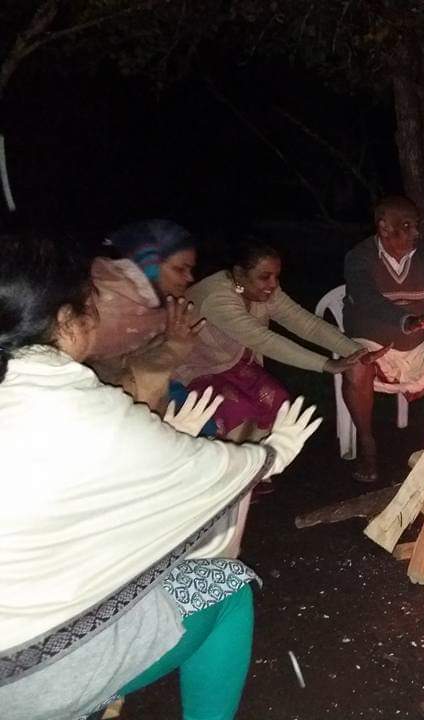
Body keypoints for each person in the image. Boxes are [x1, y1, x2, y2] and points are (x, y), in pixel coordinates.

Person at [0, 234, 322, 720]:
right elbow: (208, 475)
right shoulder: (79, 404)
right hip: (28, 679)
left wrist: (162, 432)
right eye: (90, 303)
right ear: (65, 319)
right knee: (225, 585)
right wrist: (272, 453)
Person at [178, 238, 382, 442]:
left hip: (234, 366)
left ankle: (259, 465)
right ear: (239, 274)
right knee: (238, 410)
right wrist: (327, 364)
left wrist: (357, 351)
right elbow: (263, 340)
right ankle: (236, 468)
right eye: (265, 277)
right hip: (195, 370)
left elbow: (306, 324)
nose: (273, 284)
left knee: (278, 400)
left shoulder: (262, 289)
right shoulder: (216, 298)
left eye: (276, 276)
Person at [342, 195, 424, 482]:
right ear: (384, 228)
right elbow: (367, 299)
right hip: (374, 341)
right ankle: (367, 444)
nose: (415, 233)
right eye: (406, 226)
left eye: (416, 226)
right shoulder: (359, 257)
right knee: (356, 366)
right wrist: (406, 320)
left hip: (418, 342)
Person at [87, 219, 204, 412]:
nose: (190, 278)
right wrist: (175, 346)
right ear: (149, 264)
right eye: (180, 269)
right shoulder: (112, 307)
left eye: (190, 269)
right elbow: (129, 389)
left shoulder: (150, 302)